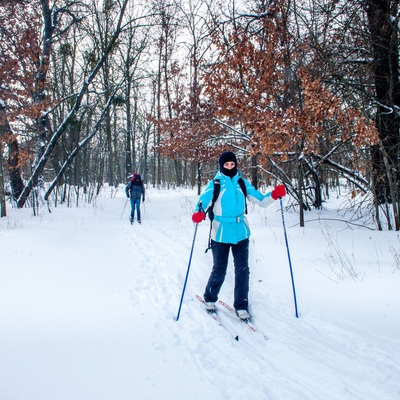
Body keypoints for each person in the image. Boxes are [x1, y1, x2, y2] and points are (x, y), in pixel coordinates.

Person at [192, 151, 286, 320]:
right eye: (226, 165)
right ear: (221, 166)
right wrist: (198, 212)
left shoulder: (242, 183)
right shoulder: (215, 184)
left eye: (232, 164)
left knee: (242, 270)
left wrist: (274, 195)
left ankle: (241, 305)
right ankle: (210, 298)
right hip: (220, 232)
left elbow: (261, 200)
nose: (230, 167)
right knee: (219, 269)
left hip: (241, 232)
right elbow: (203, 201)